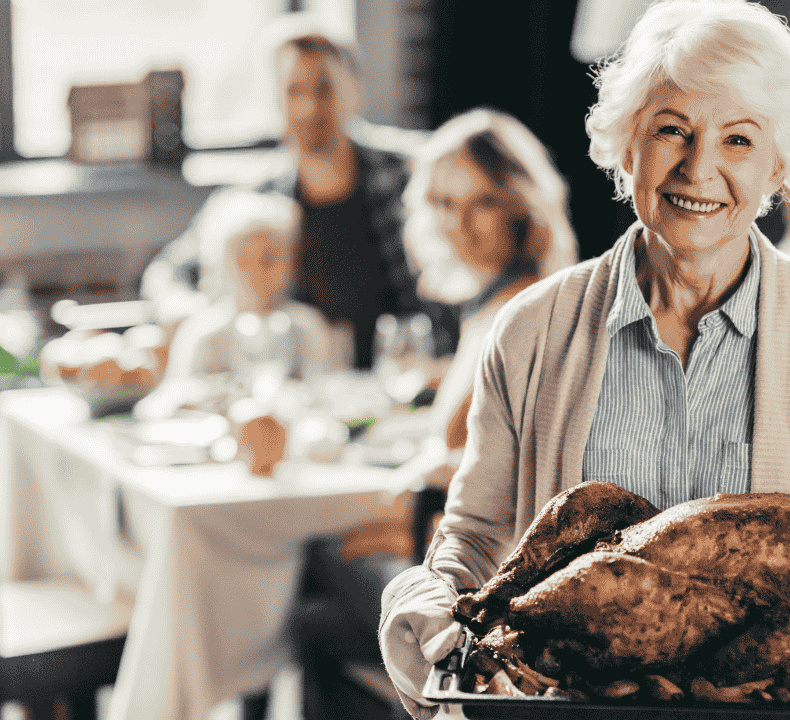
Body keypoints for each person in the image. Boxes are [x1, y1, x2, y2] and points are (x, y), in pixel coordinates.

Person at [378, 2, 790, 719]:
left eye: (738, 139)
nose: (699, 167)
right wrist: (425, 599)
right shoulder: (529, 331)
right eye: (671, 129)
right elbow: (476, 539)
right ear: (626, 145)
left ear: (779, 165)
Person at [292, 107, 577, 720]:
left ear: (520, 209)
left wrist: (411, 520)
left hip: (484, 580)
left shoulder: (520, 314)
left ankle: (435, 687)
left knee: (309, 559)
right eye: (444, 203)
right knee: (311, 621)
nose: (459, 224)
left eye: (481, 203)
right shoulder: (492, 305)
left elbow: (522, 478)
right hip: (453, 542)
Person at [141, 30, 457, 370]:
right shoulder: (255, 196)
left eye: (324, 88)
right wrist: (189, 314)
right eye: (293, 91)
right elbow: (167, 272)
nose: (309, 106)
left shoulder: (412, 172)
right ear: (275, 101)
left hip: (409, 378)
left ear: (355, 91)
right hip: (301, 392)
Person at [134, 189, 338, 422]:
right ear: (222, 262)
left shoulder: (307, 328)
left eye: (269, 259)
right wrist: (199, 397)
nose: (257, 272)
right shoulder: (205, 331)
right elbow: (157, 407)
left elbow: (331, 399)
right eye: (244, 259)